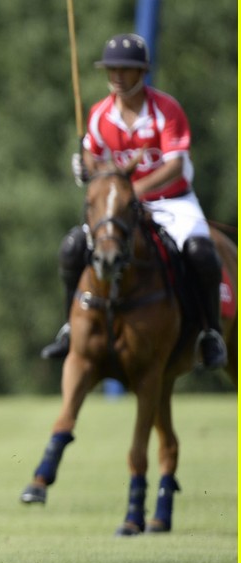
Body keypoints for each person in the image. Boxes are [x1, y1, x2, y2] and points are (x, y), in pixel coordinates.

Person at [40, 33, 227, 369]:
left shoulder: (166, 110)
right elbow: (95, 161)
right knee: (72, 248)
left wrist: (132, 192)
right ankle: (70, 328)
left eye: (125, 69)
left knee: (202, 253)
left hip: (172, 201)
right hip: (119, 208)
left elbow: (175, 165)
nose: (117, 76)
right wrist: (84, 168)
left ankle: (210, 333)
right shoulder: (99, 114)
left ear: (142, 72)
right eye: (111, 69)